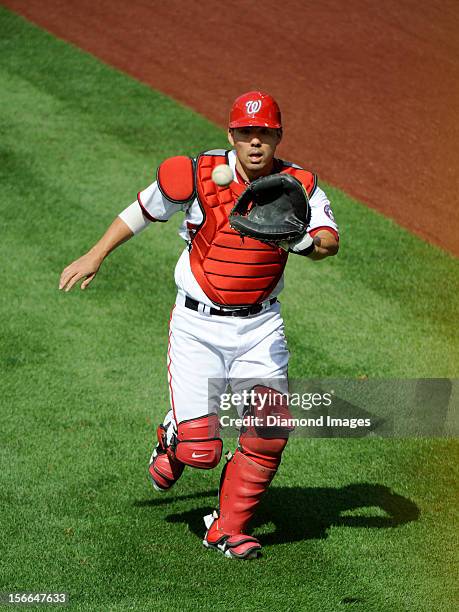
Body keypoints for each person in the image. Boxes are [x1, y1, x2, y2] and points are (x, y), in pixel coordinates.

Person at [59, 91, 339, 559]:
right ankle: (176, 437)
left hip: (260, 328)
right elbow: (143, 210)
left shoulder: (298, 186)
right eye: (246, 133)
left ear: (277, 137)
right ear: (231, 134)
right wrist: (96, 254)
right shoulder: (195, 175)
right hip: (197, 326)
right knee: (201, 453)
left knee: (270, 430)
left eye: (265, 134)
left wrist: (300, 242)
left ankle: (227, 528)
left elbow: (329, 241)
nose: (255, 143)